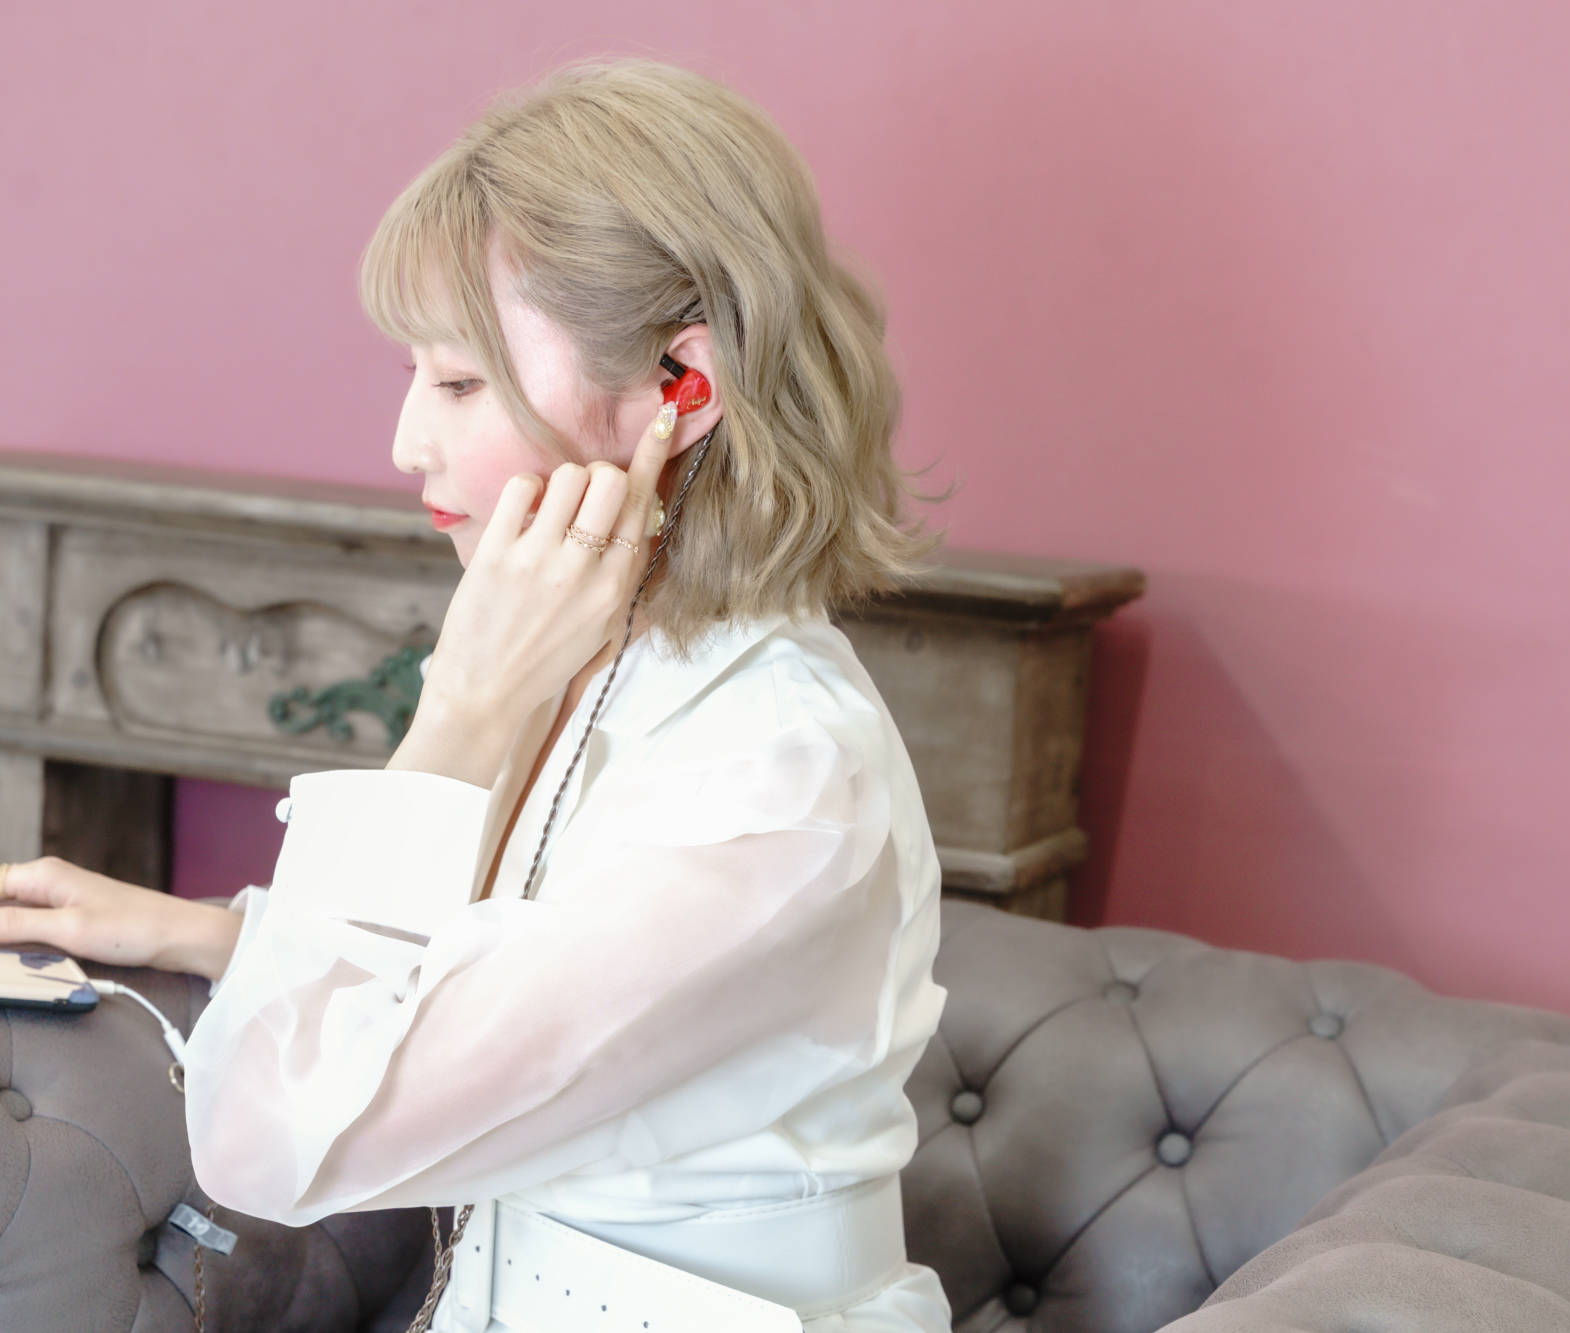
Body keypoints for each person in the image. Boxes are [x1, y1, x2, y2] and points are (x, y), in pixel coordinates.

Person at [0, 56, 954, 1333]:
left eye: (457, 382)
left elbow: (269, 1145)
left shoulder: (775, 774)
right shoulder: (618, 665)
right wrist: (214, 934)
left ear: (681, 387)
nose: (407, 442)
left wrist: (456, 712)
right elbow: (504, 974)